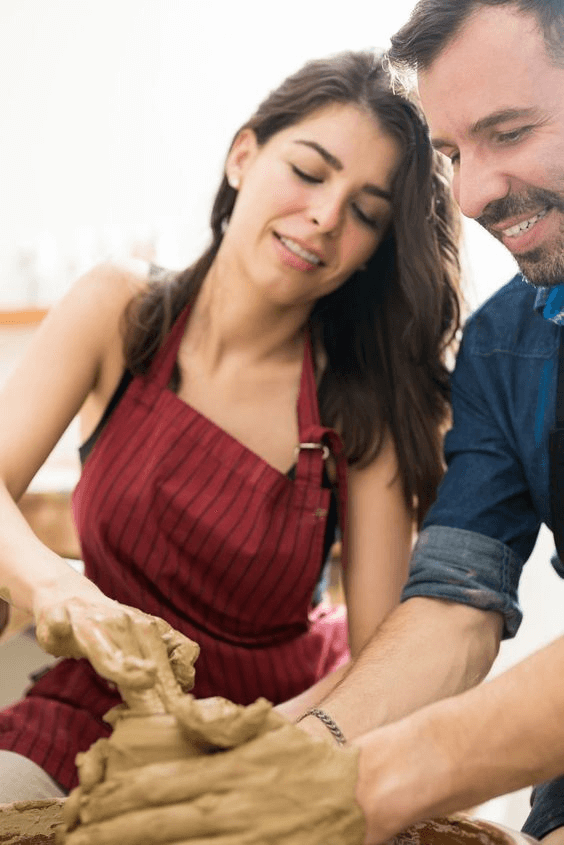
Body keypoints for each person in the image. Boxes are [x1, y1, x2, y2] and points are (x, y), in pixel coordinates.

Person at [108, 4, 564, 845]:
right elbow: (456, 607)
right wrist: (309, 752)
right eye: (458, 154)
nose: (471, 194)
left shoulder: (357, 409)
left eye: (511, 131)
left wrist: (371, 779)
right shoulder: (505, 346)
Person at [0, 50, 461, 801]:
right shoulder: (121, 311)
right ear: (243, 155)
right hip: (90, 713)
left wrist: (263, 746)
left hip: (274, 731)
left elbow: (381, 658)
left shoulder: (361, 402)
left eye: (366, 212)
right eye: (310, 172)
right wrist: (59, 588)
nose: (324, 216)